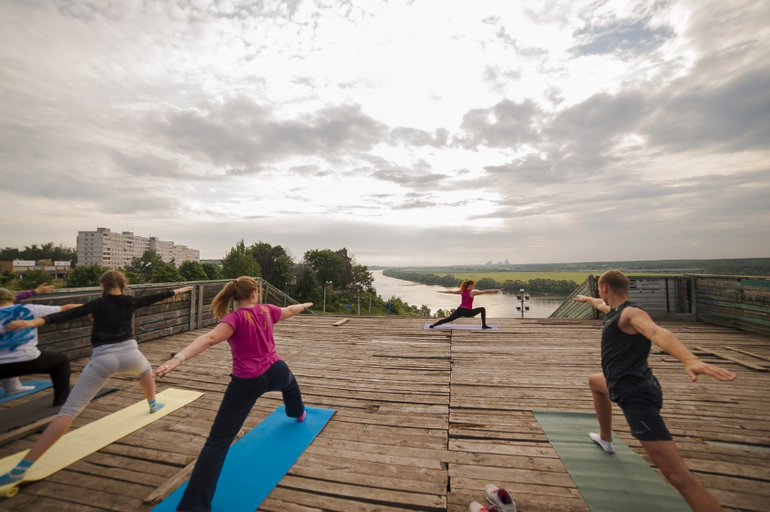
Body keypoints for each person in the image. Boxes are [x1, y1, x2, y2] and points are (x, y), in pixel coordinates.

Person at [0, 271, 192, 487]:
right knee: (146, 371)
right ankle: (153, 404)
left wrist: (32, 323)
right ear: (123, 284)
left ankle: (21, 469)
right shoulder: (129, 301)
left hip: (103, 360)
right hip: (131, 356)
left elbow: (68, 315)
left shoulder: (97, 304)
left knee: (69, 412)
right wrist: (181, 290)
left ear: (103, 285)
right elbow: (156, 297)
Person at [574, 270, 735, 512]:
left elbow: (658, 332)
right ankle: (605, 438)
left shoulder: (631, 313)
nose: (599, 294)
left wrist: (689, 359)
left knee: (677, 476)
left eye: (599, 290)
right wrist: (587, 299)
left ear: (605, 287)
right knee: (596, 382)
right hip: (626, 382)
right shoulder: (616, 311)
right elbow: (599, 304)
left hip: (635, 395)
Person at [153, 276, 312, 512]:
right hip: (275, 370)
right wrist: (305, 305)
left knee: (218, 441)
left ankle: (193, 506)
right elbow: (290, 310)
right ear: (254, 294)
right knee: (290, 385)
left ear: (235, 297)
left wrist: (178, 359)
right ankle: (298, 413)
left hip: (247, 382)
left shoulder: (234, 319)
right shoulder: (267, 310)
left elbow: (209, 339)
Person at [0, 287, 79, 405]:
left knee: (6, 353)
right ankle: (61, 401)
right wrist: (95, 306)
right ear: (11, 297)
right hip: (28, 361)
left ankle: (12, 388)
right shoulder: (29, 309)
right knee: (61, 361)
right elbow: (66, 308)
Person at [429, 279, 502, 329]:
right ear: (470, 286)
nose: (474, 287)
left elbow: (451, 291)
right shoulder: (472, 292)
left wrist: (442, 292)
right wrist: (496, 290)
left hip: (460, 310)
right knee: (482, 309)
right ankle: (484, 325)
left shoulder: (462, 291)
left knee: (449, 319)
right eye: (473, 285)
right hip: (468, 312)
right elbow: (485, 291)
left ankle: (434, 325)